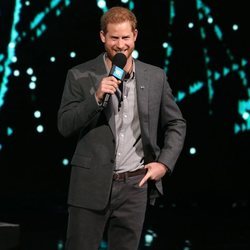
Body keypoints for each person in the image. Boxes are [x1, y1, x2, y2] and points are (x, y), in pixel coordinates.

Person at [57, 6, 186, 250]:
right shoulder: (80, 75)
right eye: (114, 37)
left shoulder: (155, 76)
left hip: (134, 186)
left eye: (125, 37)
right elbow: (65, 125)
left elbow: (176, 122)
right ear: (102, 37)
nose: (120, 45)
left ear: (135, 36)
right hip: (90, 183)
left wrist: (164, 163)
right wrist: (95, 98)